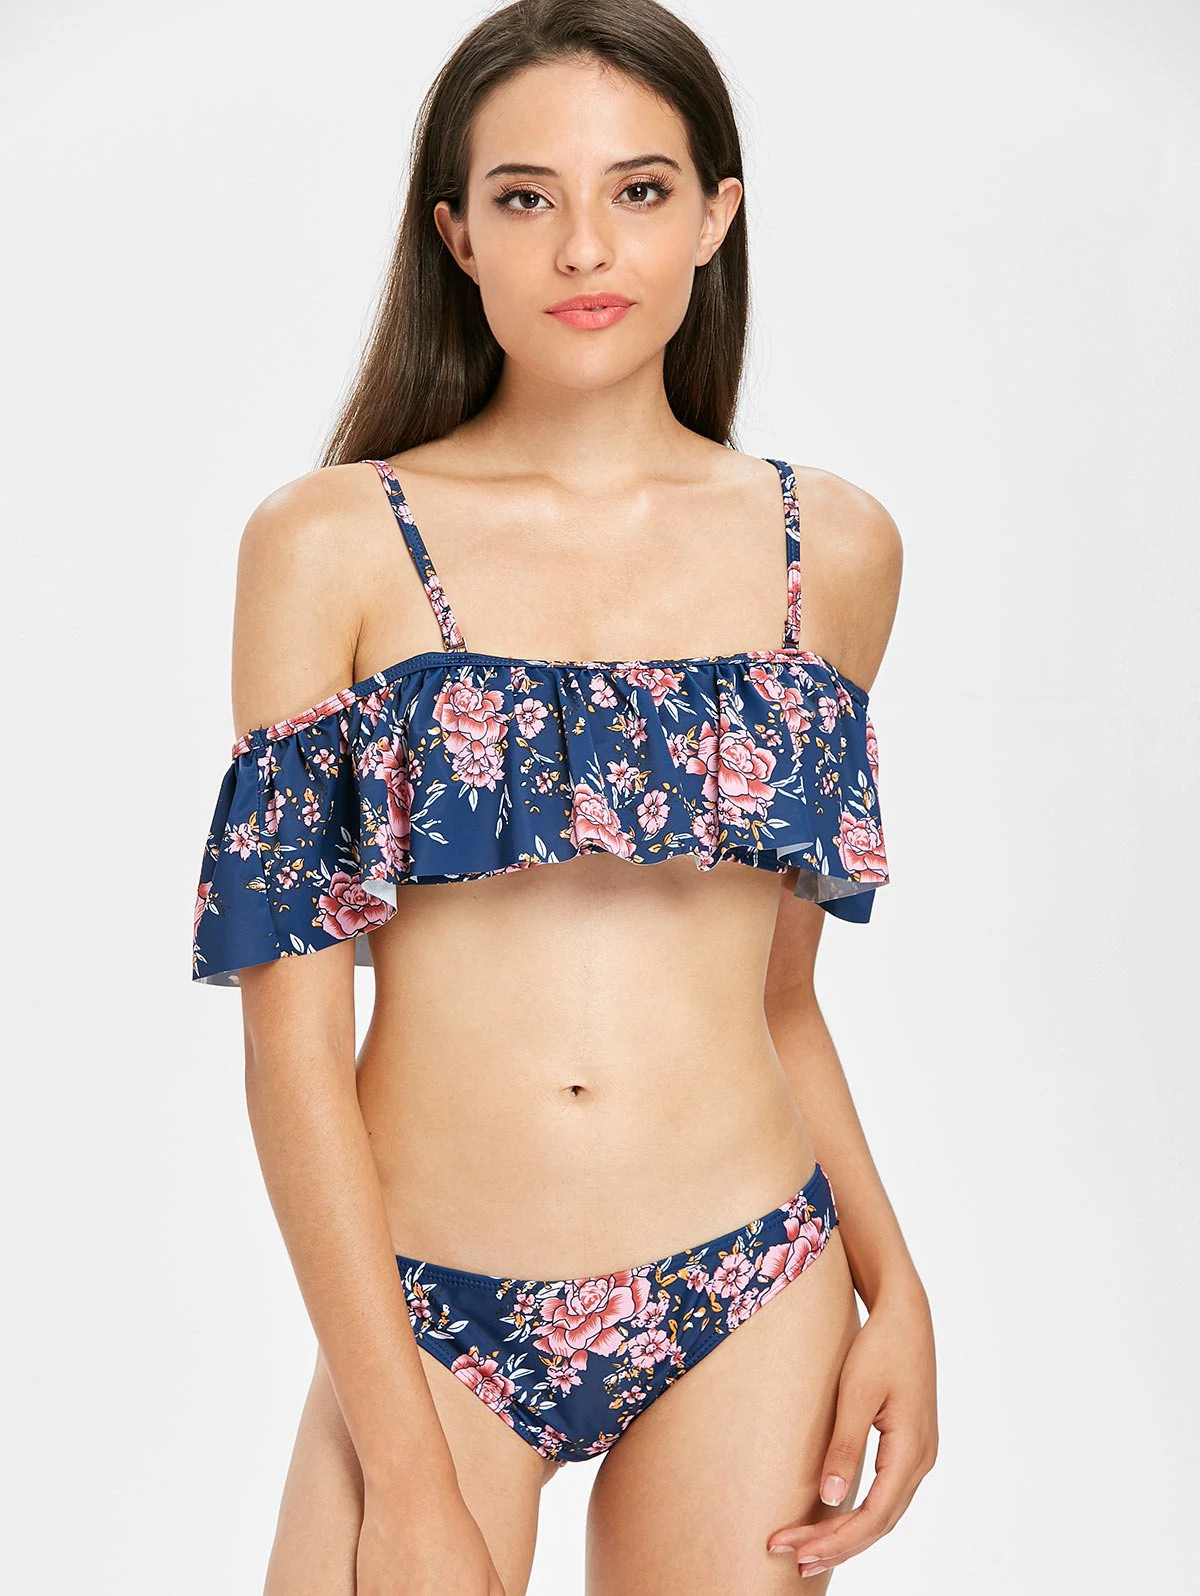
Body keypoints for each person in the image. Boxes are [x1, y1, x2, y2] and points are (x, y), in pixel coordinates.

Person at [191, 2, 937, 1590]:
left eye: (640, 190)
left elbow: (779, 999)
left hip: (754, 1283)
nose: (585, 246)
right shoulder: (329, 544)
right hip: (429, 1313)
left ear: (717, 216)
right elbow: (292, 1055)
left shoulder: (833, 550)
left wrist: (898, 1291)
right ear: (457, 235)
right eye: (526, 196)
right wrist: (407, 1483)